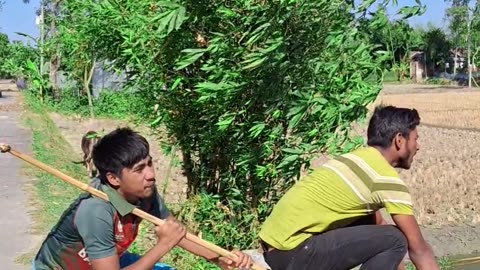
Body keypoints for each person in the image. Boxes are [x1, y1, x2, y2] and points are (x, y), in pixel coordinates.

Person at [33, 127, 252, 270]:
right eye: (139, 169)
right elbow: (170, 238)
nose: (151, 174)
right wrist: (163, 245)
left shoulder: (145, 192)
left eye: (150, 163)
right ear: (113, 178)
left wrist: (220, 258)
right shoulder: (96, 210)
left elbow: (178, 233)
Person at [258, 105, 440, 270]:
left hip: (276, 249)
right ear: (400, 140)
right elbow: (418, 248)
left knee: (377, 228)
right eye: (415, 139)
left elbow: (377, 224)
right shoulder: (384, 178)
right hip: (293, 253)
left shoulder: (354, 160)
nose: (418, 147)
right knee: (396, 239)